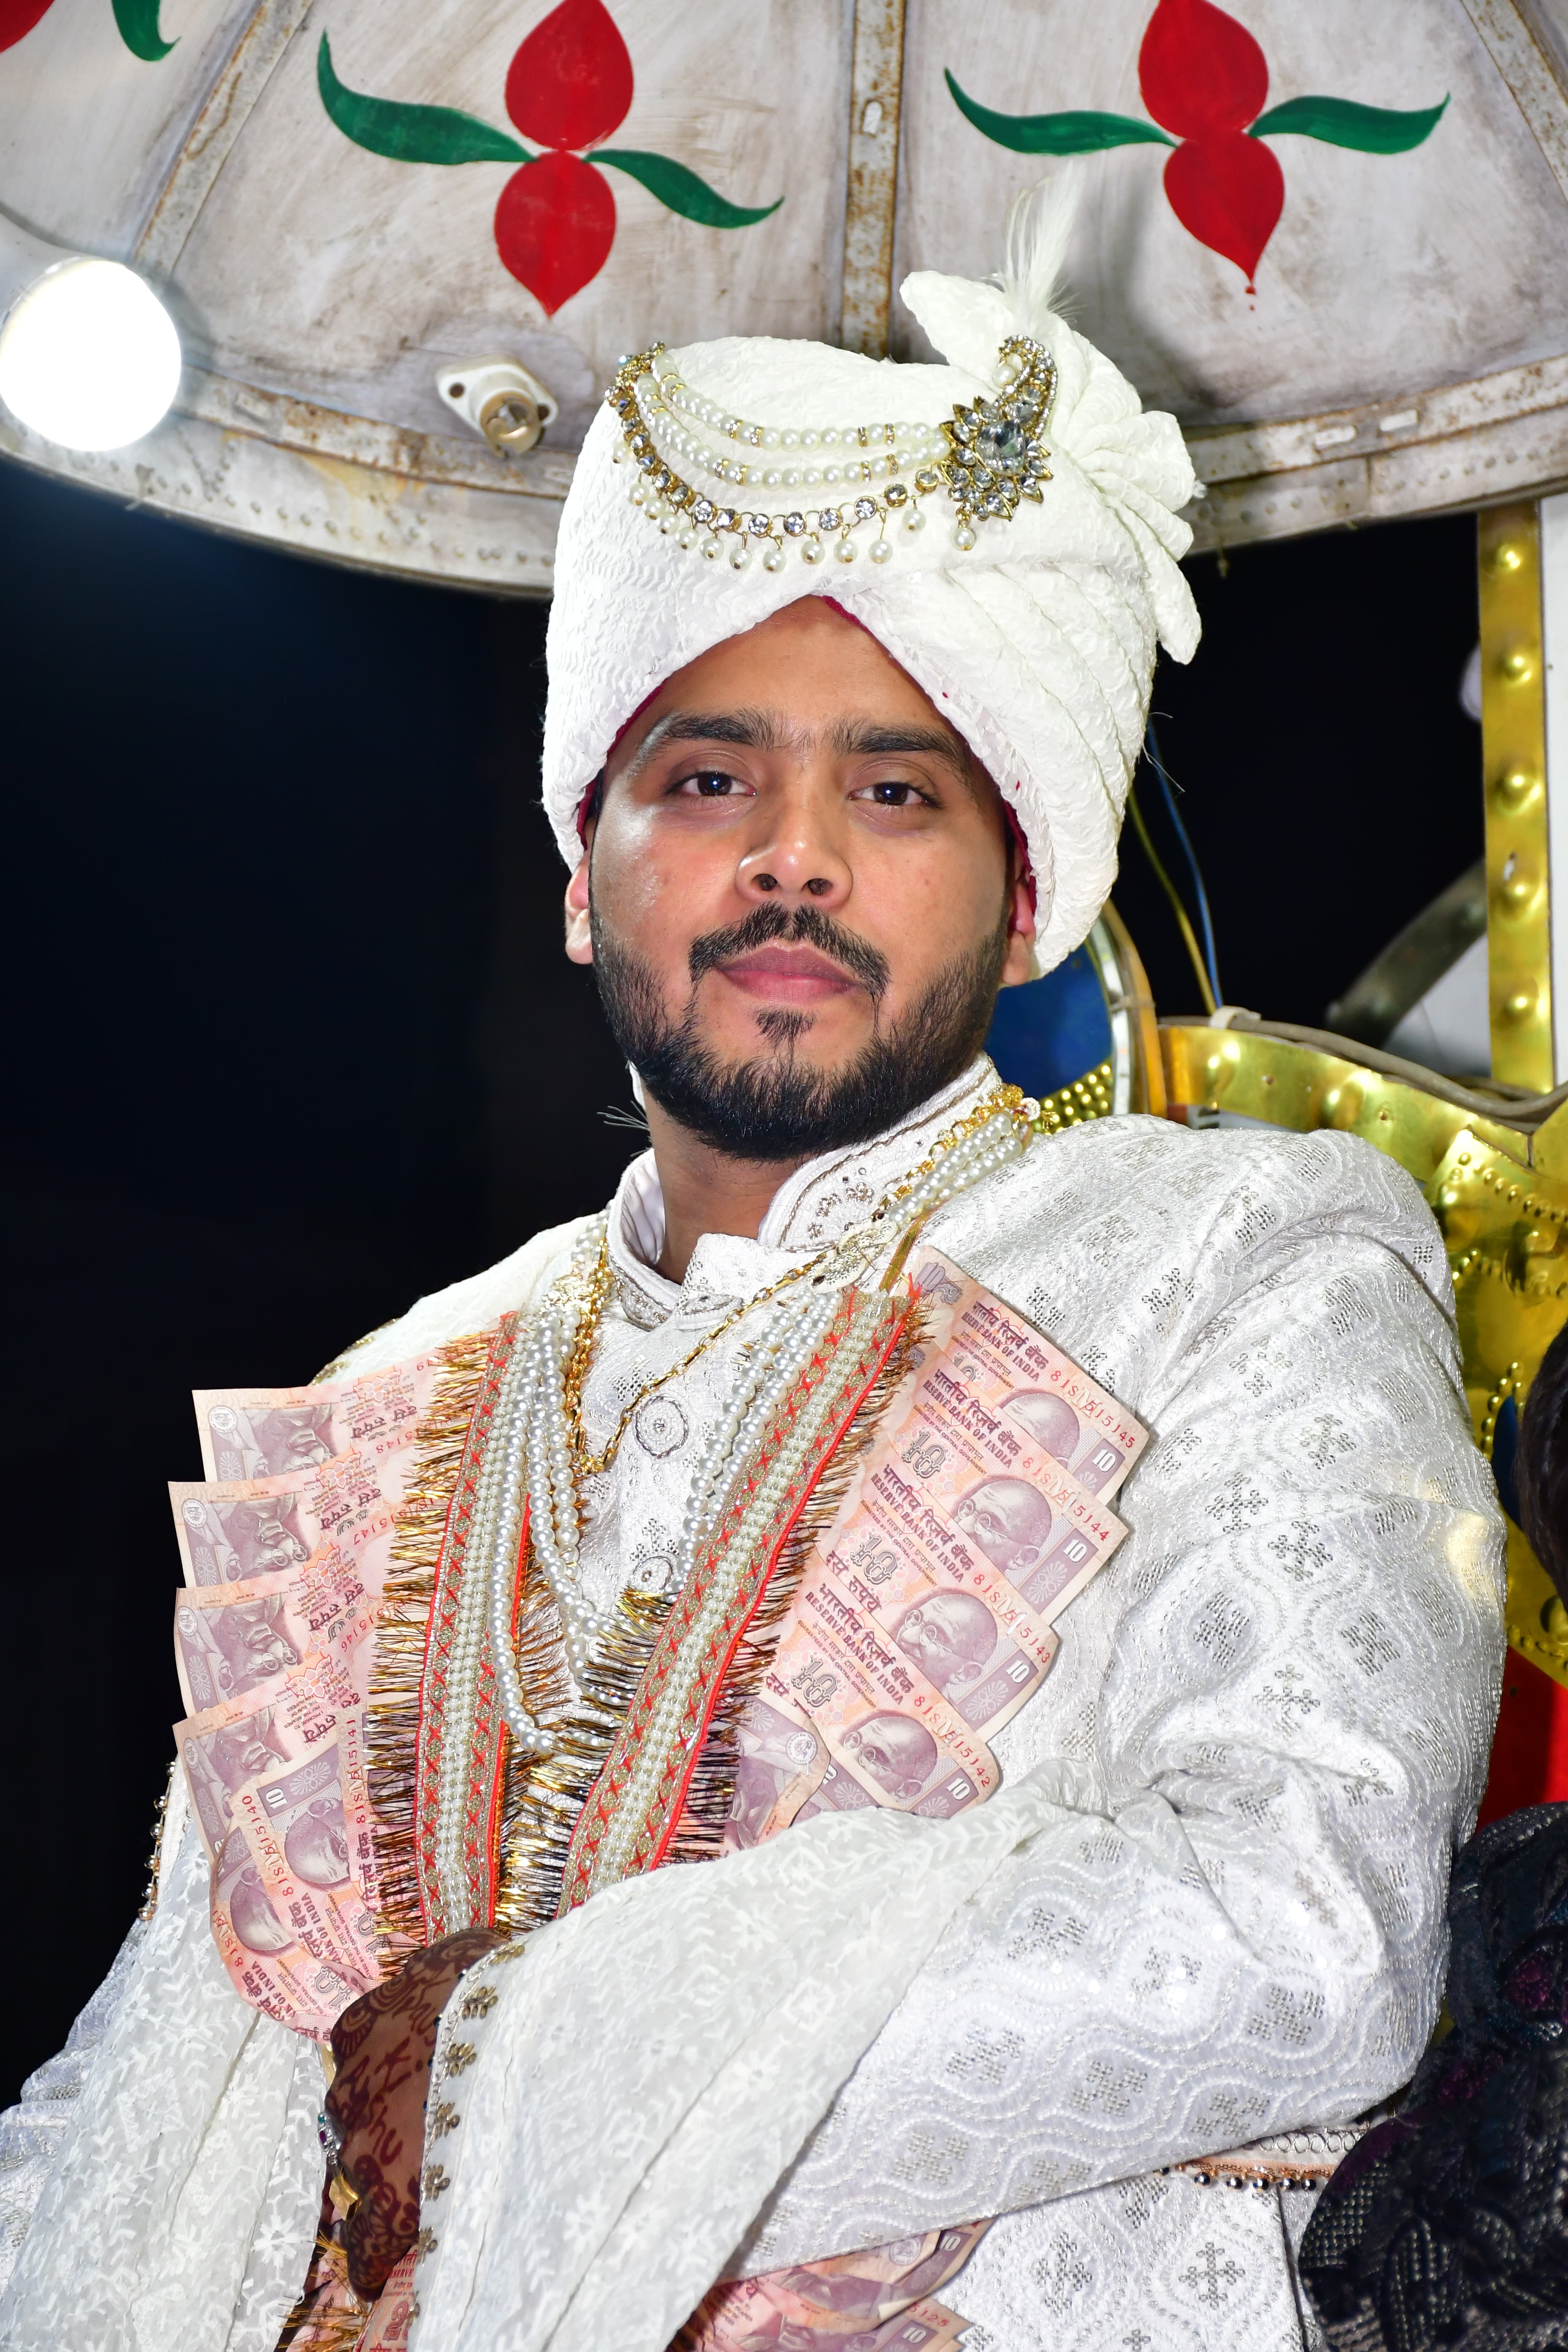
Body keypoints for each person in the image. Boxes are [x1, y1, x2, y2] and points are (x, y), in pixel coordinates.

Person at [0, 190, 1505, 2352]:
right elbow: (165, 2071)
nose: (793, 852)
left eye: (896, 789)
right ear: (583, 881)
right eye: (706, 778)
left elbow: (1299, 1931)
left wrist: (535, 2052)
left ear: (1023, 907)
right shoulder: (394, 1391)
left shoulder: (1236, 1261)